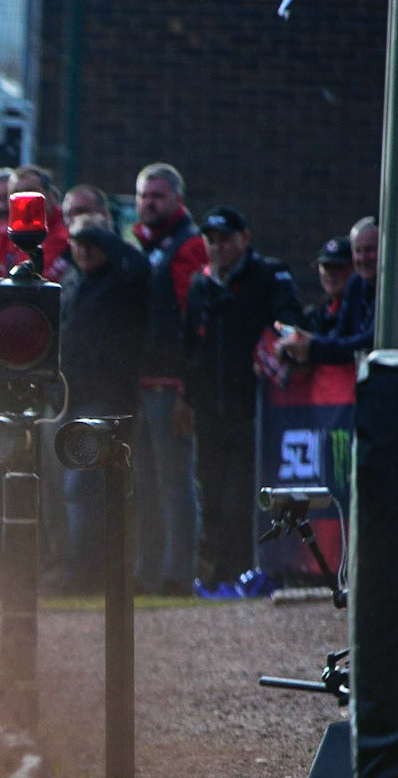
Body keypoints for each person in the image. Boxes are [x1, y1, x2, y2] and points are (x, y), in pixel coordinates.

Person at [181, 205, 302, 589]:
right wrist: (187, 397)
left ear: (244, 239)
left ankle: (241, 572)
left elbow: (291, 324)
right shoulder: (200, 285)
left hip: (254, 410)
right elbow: (190, 347)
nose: (218, 248)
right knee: (211, 496)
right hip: (210, 411)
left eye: (226, 240)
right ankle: (216, 575)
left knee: (241, 499)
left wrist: (274, 349)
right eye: (211, 241)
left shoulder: (268, 276)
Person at [55, 214, 150, 592]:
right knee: (74, 488)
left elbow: (140, 270)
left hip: (107, 398)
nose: (83, 250)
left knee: (85, 486)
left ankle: (87, 573)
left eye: (92, 242)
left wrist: (107, 240)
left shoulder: (122, 280)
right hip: (73, 396)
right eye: (77, 242)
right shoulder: (77, 283)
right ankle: (80, 567)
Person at [131, 162, 209, 596]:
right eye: (143, 196)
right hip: (140, 384)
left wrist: (186, 389)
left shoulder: (187, 245)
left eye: (157, 196)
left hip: (168, 384)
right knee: (144, 484)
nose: (149, 203)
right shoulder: (144, 245)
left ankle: (178, 575)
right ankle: (147, 573)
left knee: (174, 484)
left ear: (177, 200)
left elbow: (192, 320)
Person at [279, 235, 373, 367]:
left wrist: (314, 346)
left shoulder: (363, 307)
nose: (331, 274)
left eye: (338, 267)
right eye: (326, 267)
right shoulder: (317, 313)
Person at [0, 164, 69, 281]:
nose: (24, 200)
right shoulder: (1, 237)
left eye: (30, 191)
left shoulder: (65, 236)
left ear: (49, 195)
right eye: (16, 193)